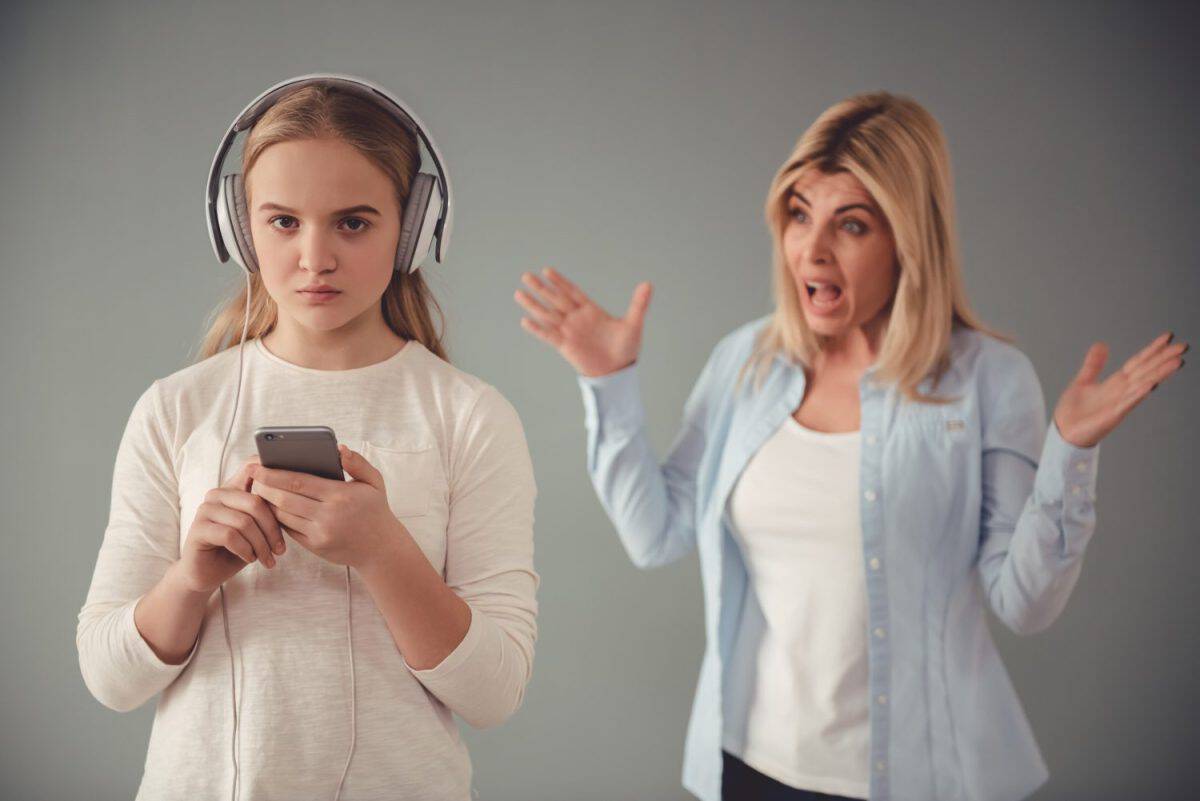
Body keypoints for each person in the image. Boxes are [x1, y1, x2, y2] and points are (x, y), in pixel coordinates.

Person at [513, 91, 1185, 801]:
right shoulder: (746, 362)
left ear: (908, 239)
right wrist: (608, 383)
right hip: (748, 765)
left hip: (918, 777)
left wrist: (1070, 453)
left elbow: (1023, 601)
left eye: (852, 224)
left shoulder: (988, 378)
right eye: (799, 215)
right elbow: (656, 532)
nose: (813, 248)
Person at [77, 75, 538, 801]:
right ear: (240, 227)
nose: (314, 257)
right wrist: (191, 577)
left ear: (413, 225)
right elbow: (109, 677)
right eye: (283, 221)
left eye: (353, 222)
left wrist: (384, 550)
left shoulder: (471, 417)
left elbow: (495, 693)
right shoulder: (175, 409)